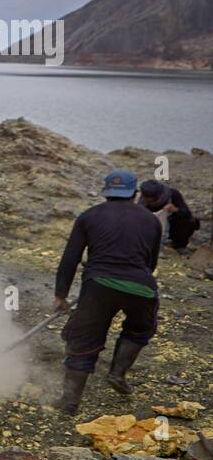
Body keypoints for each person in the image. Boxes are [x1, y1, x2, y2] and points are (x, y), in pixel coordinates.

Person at [51, 170, 162, 414]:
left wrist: (61, 295)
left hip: (99, 286)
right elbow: (150, 264)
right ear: (134, 193)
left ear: (106, 192)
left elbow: (70, 259)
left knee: (83, 339)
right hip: (141, 286)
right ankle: (117, 373)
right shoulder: (152, 220)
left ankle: (70, 402)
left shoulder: (89, 216)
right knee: (140, 329)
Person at [140, 179, 200, 250]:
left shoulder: (172, 194)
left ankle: (178, 245)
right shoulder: (142, 202)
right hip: (153, 228)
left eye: (149, 198)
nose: (147, 199)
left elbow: (187, 213)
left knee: (188, 220)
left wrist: (175, 209)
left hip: (174, 226)